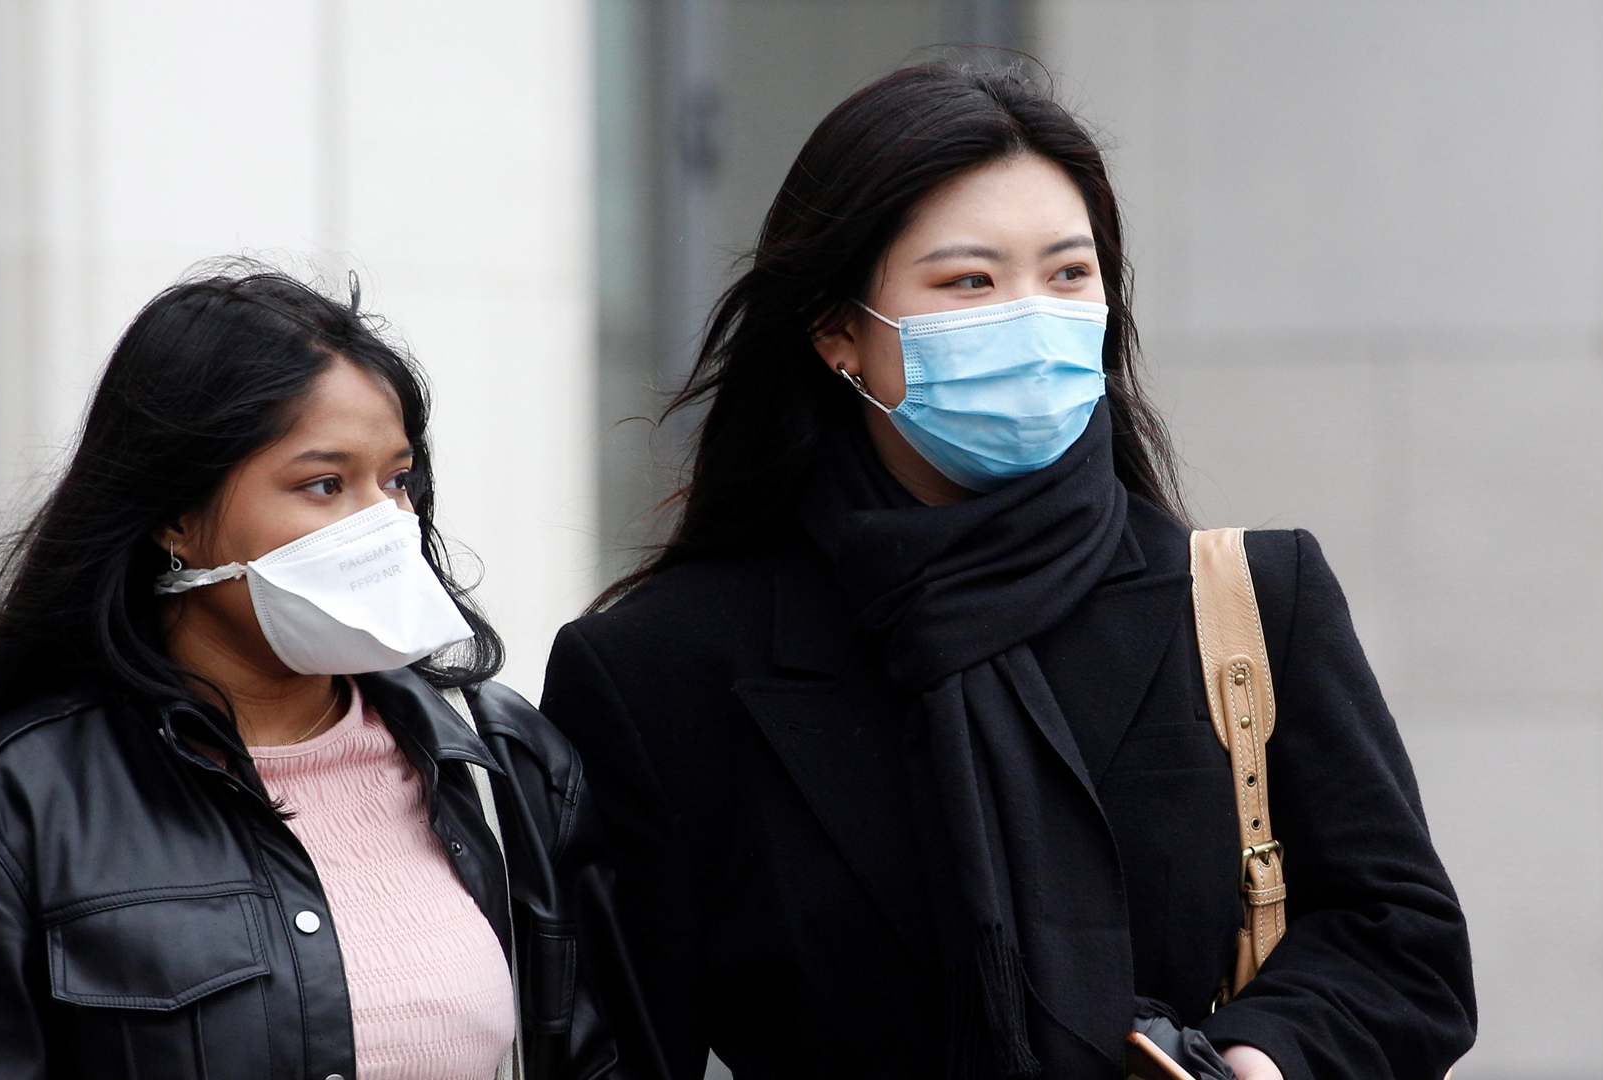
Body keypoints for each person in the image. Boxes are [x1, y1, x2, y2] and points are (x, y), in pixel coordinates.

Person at [539, 63, 1476, 1080]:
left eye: (1069, 275)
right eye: (970, 283)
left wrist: (1256, 1059)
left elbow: (1403, 947)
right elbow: (618, 1046)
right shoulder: (659, 668)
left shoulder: (1245, 603)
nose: (1033, 321)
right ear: (837, 329)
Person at [0, 271, 639, 1080]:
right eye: (323, 485)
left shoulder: (502, 762)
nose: (384, 524)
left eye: (397, 480)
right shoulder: (16, 798)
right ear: (177, 516)